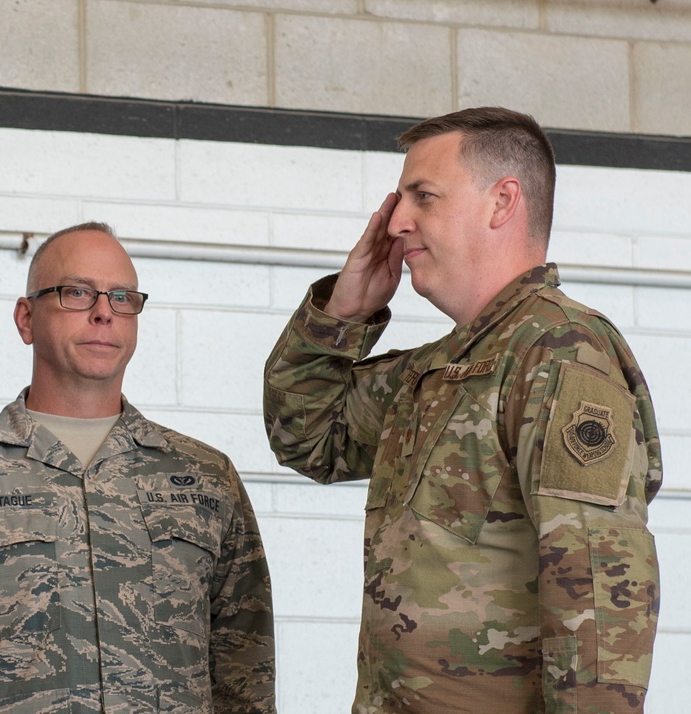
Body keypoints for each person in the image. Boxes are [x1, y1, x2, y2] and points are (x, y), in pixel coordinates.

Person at [263, 107, 660, 712]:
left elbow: (600, 597)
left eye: (423, 196)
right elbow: (309, 436)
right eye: (399, 201)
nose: (396, 222)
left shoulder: (559, 352)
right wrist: (340, 318)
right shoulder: (439, 369)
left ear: (502, 203)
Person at [0, 222, 276, 713]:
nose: (104, 313)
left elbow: (246, 672)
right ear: (26, 318)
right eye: (78, 293)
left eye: (122, 297)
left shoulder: (206, 480)